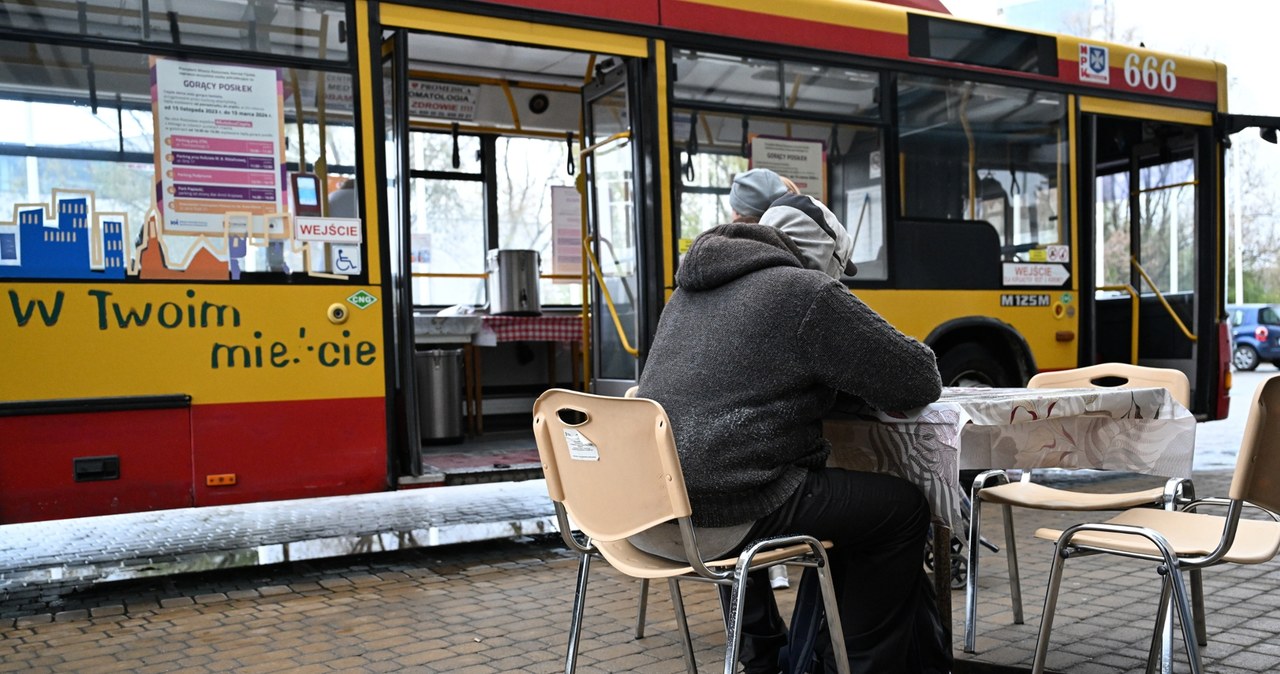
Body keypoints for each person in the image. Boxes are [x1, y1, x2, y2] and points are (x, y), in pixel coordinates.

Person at [635, 193, 950, 674]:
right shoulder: (806, 292)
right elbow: (917, 379)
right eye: (840, 271)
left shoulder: (689, 292)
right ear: (826, 259)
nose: (839, 283)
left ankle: (765, 657)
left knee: (835, 501)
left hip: (650, 510)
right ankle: (858, 666)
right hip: (727, 510)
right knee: (901, 509)